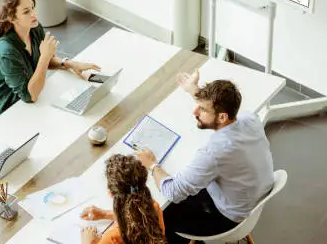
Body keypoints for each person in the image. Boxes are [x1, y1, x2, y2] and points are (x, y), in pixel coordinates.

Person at [136, 70, 274, 244]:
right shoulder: (250, 119)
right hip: (250, 199)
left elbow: (173, 192)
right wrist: (193, 89)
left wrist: (152, 164)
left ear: (222, 117)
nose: (195, 111)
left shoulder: (215, 152)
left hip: (226, 219)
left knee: (159, 213)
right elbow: (217, 108)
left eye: (202, 109)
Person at [0, 0, 100, 121]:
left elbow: (45, 61)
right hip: (4, 112)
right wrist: (45, 56)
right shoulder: (6, 51)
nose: (34, 14)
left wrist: (68, 64)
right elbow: (30, 96)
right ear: (11, 18)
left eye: (33, 8)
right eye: (26, 11)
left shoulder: (34, 29)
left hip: (27, 103)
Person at [79, 154, 166, 244]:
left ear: (110, 193)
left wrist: (89, 242)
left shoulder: (111, 239)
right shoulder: (154, 208)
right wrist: (106, 214)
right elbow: (136, 216)